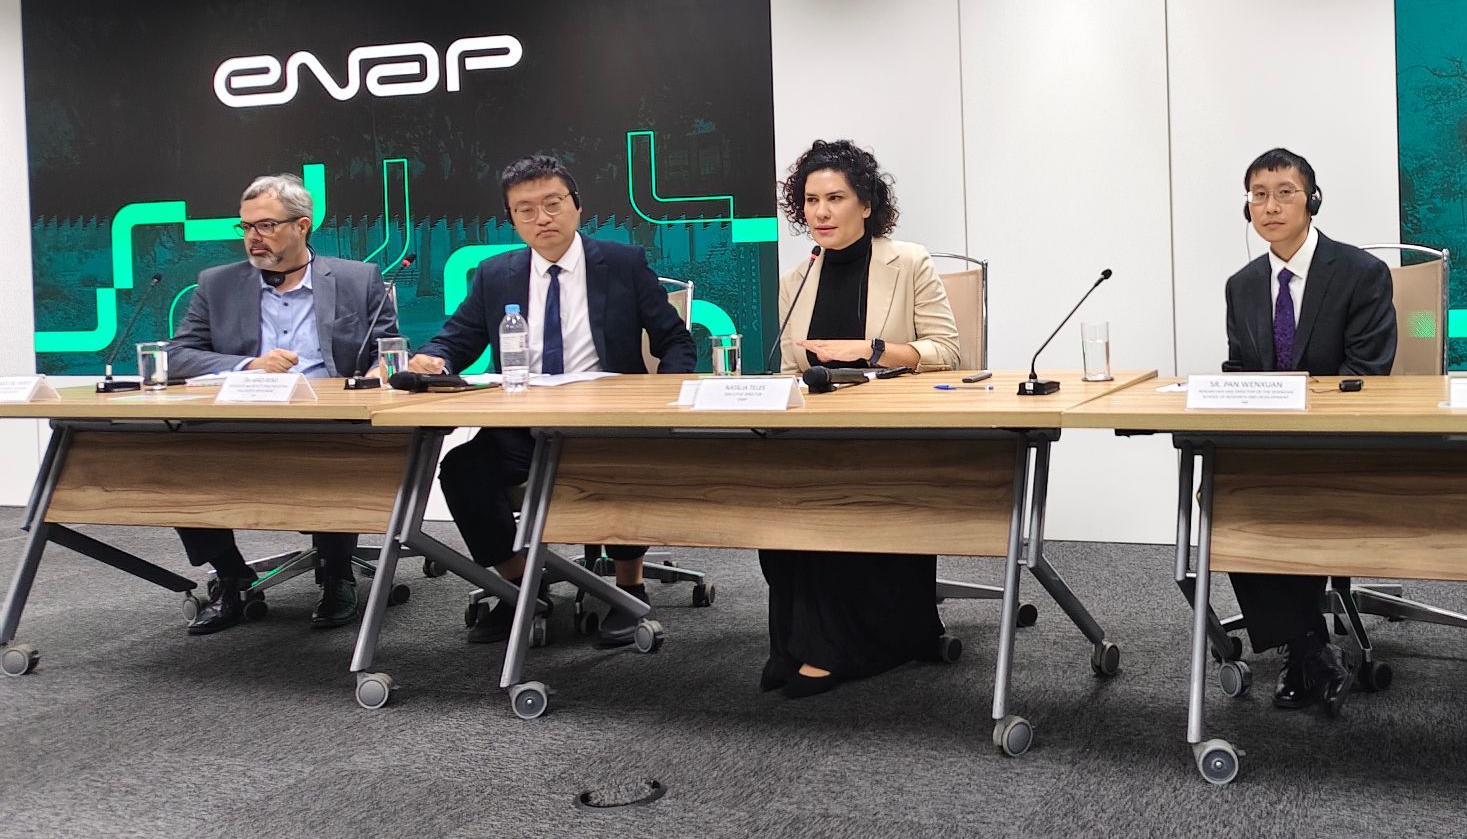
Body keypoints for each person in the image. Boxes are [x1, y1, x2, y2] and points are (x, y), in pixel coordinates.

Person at [408, 154, 695, 646]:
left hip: (607, 423)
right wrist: (433, 359)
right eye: (525, 210)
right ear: (512, 219)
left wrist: (660, 397)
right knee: (463, 470)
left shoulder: (622, 263)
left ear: (577, 206)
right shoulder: (495, 274)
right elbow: (456, 340)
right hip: (524, 426)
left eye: (552, 204)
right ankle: (520, 586)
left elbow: (676, 342)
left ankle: (629, 588)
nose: (541, 218)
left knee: (624, 468)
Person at [761, 139, 960, 698]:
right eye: (811, 201)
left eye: (835, 198)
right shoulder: (797, 278)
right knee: (775, 502)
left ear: (866, 204)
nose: (820, 212)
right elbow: (791, 367)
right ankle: (795, 642)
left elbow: (948, 351)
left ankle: (840, 648)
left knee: (834, 495)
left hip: (889, 431)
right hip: (815, 428)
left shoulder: (909, 262)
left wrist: (871, 350)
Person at [167, 173, 396, 634]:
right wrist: (249, 365)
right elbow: (176, 356)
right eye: (246, 226)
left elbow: (387, 349)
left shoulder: (357, 279)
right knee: (177, 461)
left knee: (334, 454)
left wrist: (380, 371)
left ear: (302, 226)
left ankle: (337, 575)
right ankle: (233, 577)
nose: (253, 236)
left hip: (329, 418)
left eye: (267, 225)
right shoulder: (217, 283)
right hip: (241, 417)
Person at [1222, 148, 1398, 716]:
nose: (1270, 207)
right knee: (1226, 492)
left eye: (1284, 193)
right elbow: (1240, 370)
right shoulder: (1242, 285)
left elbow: (1367, 373)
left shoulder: (1360, 274)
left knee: (1284, 491)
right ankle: (1311, 650)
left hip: (1338, 443)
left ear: (1312, 201)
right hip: (1272, 446)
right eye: (1259, 196)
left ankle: (1303, 653)